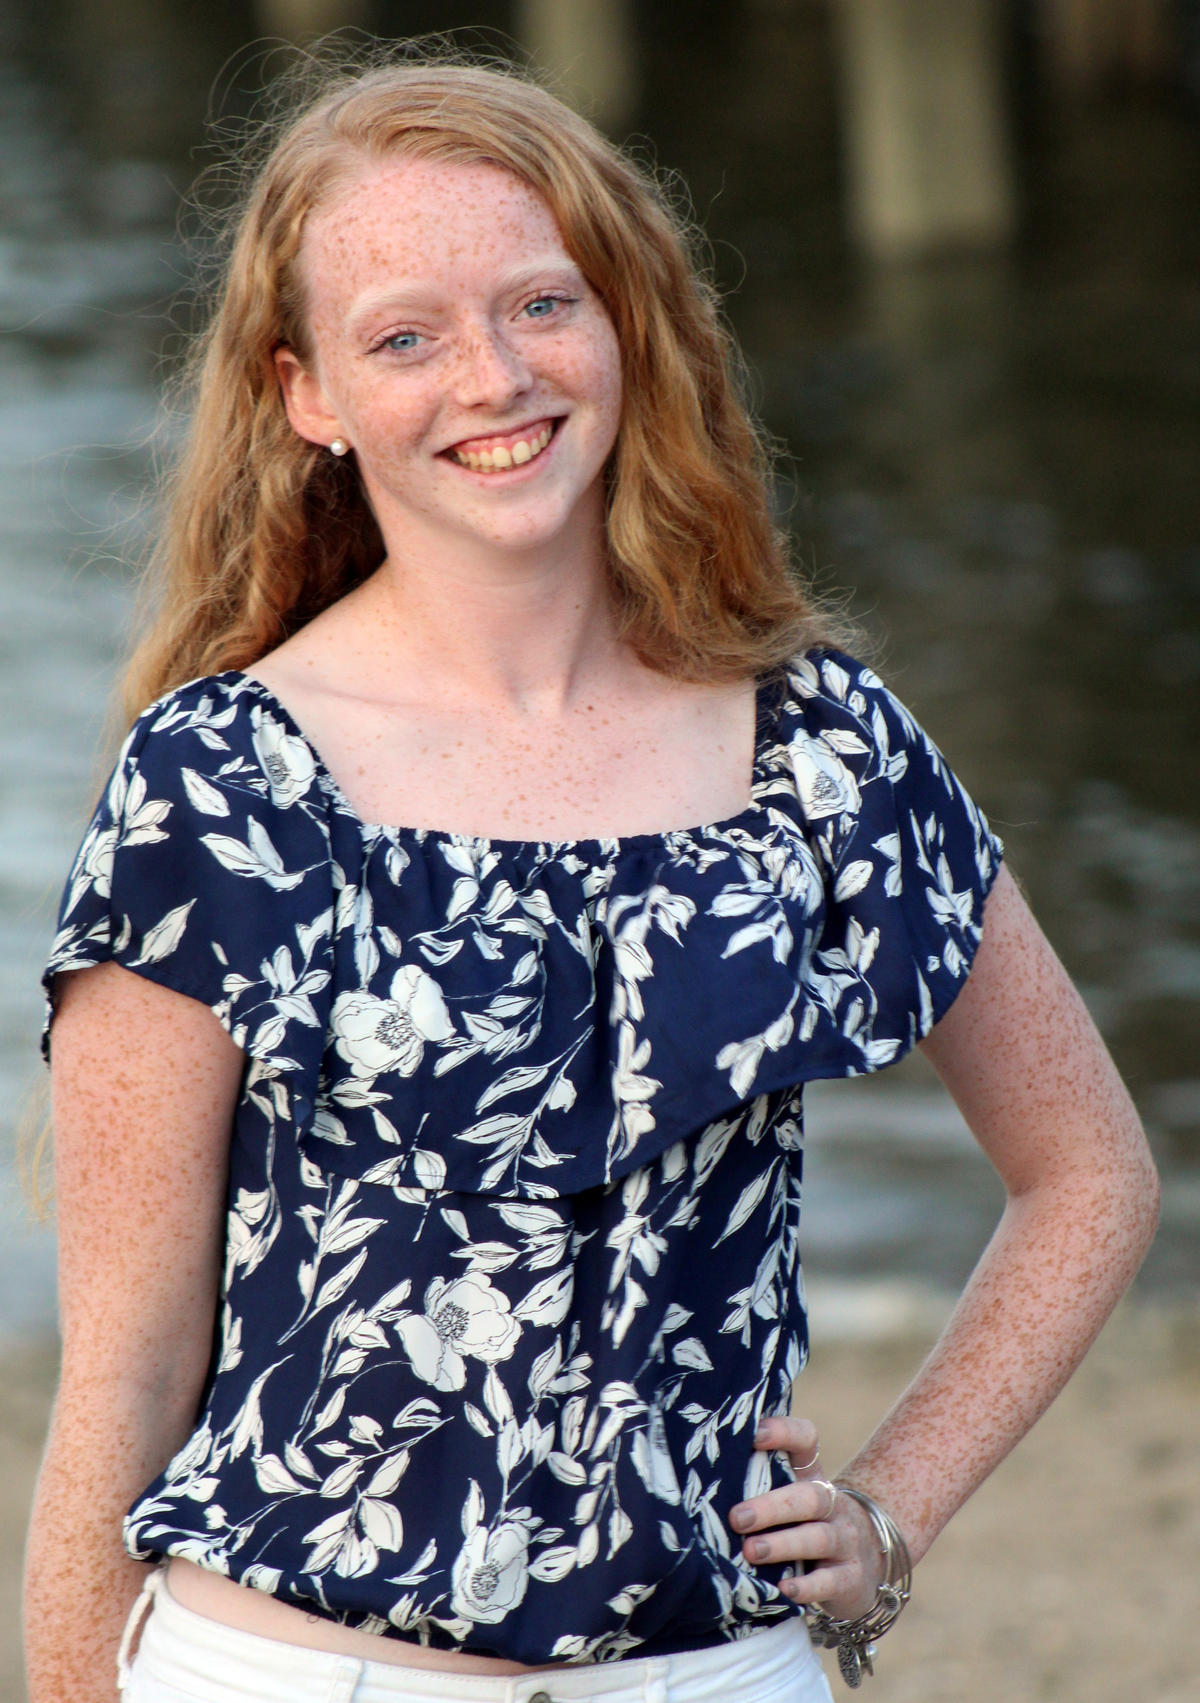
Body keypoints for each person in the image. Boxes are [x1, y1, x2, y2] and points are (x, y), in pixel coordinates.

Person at [23, 48, 1159, 1703]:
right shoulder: (219, 785)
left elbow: (1092, 1174)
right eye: (404, 335)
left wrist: (893, 1511)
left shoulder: (822, 743)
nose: (491, 376)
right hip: (293, 1675)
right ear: (308, 398)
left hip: (717, 1675)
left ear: (627, 319)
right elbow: (118, 1378)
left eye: (541, 304)